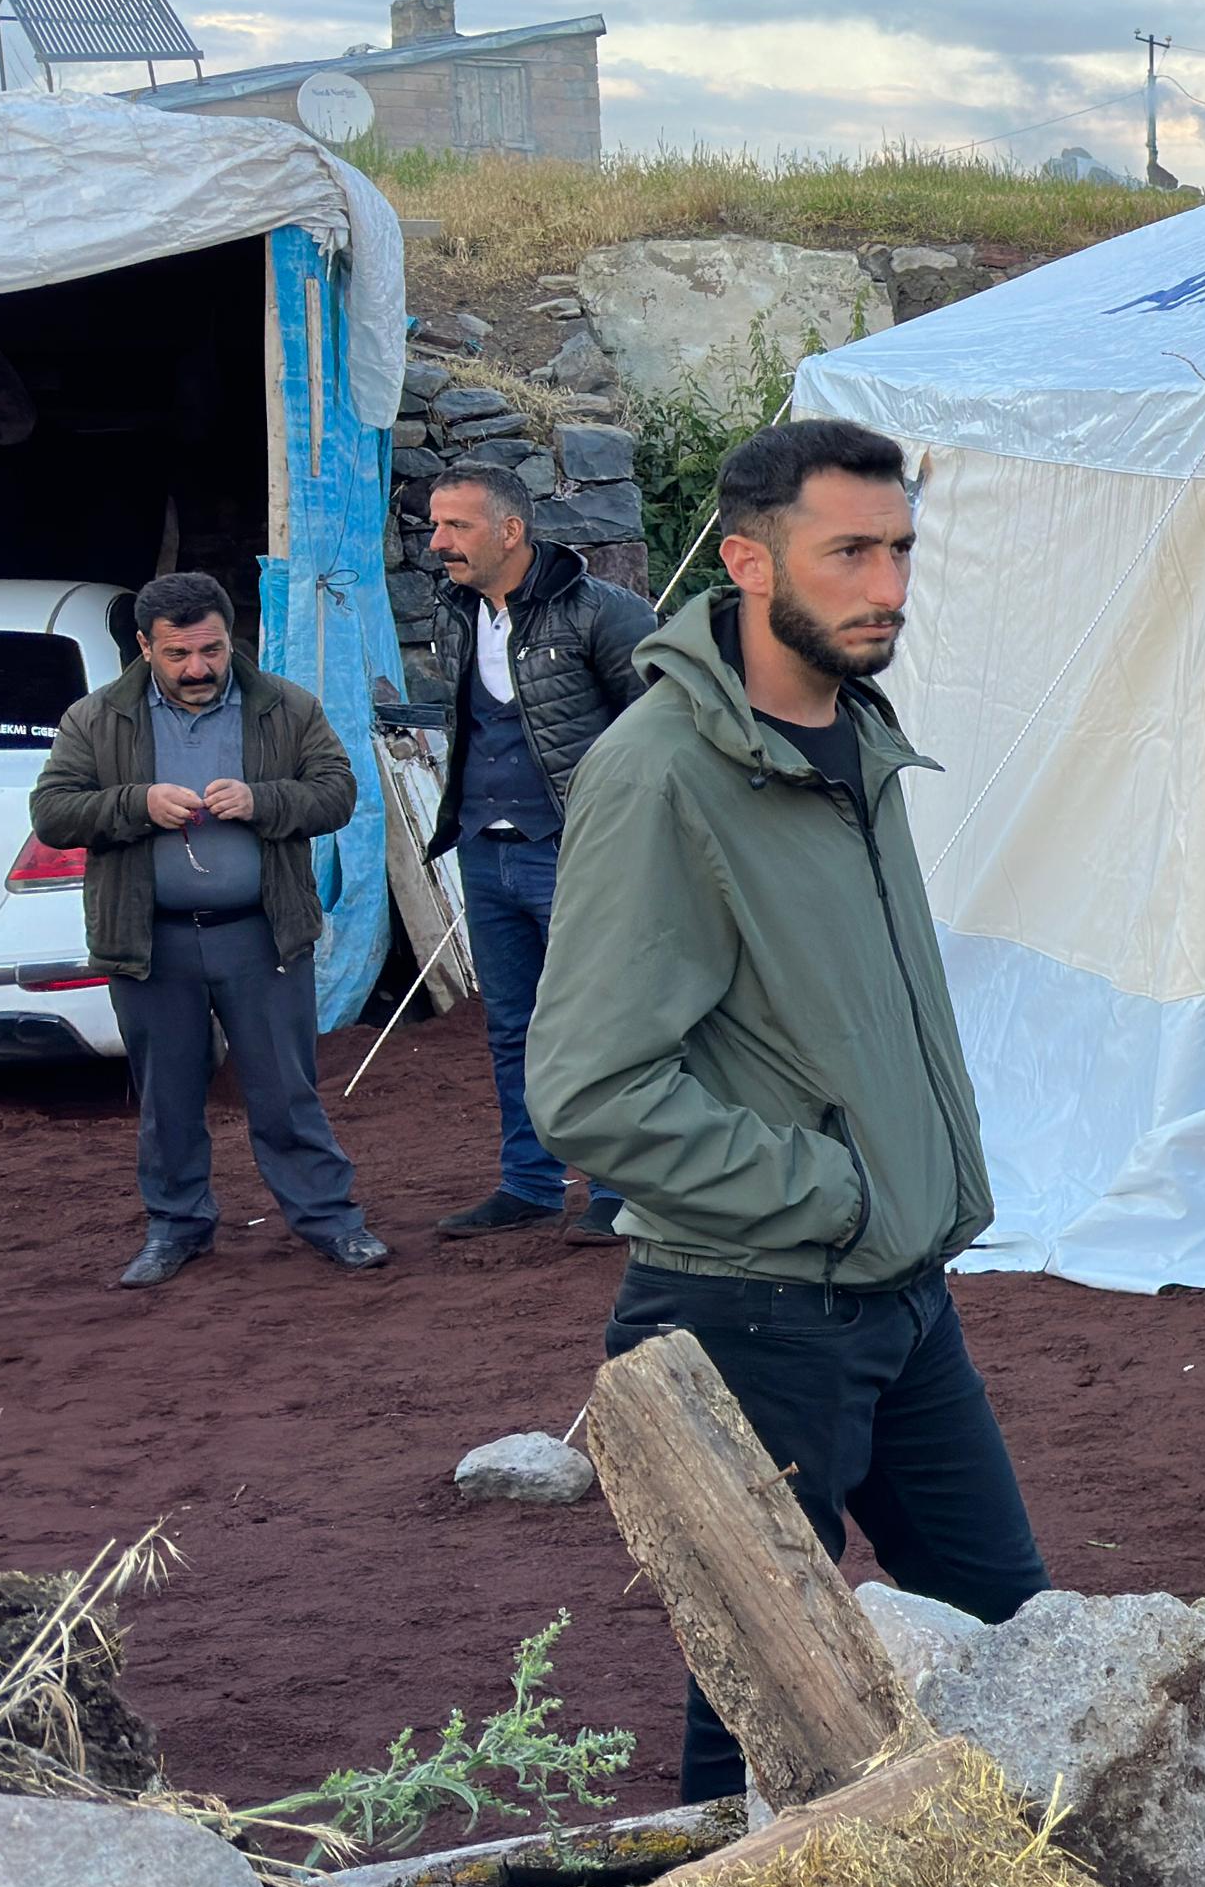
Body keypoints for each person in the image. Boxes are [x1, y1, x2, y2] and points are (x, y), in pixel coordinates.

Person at [529, 419, 1045, 1802]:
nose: (889, 586)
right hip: (751, 1303)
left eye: (902, 553)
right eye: (852, 553)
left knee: (1021, 1643)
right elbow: (588, 1087)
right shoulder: (664, 773)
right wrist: (842, 1189)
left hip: (899, 1297)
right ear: (749, 561)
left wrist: (905, 1206)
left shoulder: (854, 738)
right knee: (762, 1713)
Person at [28, 575, 388, 1287]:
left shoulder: (285, 707)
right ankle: (177, 1227)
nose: (198, 668)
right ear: (144, 647)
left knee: (286, 1087)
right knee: (166, 1093)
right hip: (150, 937)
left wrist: (262, 799)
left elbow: (339, 792)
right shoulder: (97, 718)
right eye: (178, 654)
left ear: (232, 636)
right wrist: (136, 803)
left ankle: (329, 1219)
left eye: (211, 650)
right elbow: (53, 812)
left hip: (262, 933)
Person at [417, 461, 660, 1239]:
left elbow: (665, 727)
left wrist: (625, 836)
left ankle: (623, 1192)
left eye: (456, 526)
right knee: (512, 1025)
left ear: (511, 531)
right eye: (436, 524)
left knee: (602, 1022)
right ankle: (529, 1181)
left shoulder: (603, 612)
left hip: (577, 853)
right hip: (483, 855)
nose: (438, 542)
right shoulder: (454, 613)